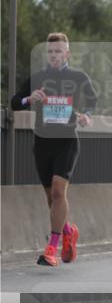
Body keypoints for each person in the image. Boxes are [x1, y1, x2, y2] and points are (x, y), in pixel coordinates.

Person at [11, 32, 96, 267]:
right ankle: (69, 231)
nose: (54, 55)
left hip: (67, 142)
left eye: (59, 51)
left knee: (59, 193)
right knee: (52, 199)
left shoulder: (78, 77)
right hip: (42, 144)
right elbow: (14, 102)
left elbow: (92, 100)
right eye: (50, 52)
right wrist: (30, 99)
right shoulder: (37, 78)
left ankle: (52, 249)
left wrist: (86, 116)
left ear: (67, 53)